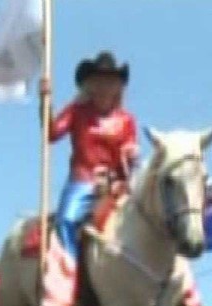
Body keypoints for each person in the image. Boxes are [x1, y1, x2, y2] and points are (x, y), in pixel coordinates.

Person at [44, 50, 139, 274]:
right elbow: (52, 133)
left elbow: (130, 157)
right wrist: (45, 103)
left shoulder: (127, 120)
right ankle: (70, 272)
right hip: (83, 181)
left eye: (110, 81)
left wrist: (130, 166)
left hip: (115, 184)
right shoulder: (77, 111)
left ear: (118, 87)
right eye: (99, 81)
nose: (105, 86)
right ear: (90, 85)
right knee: (65, 220)